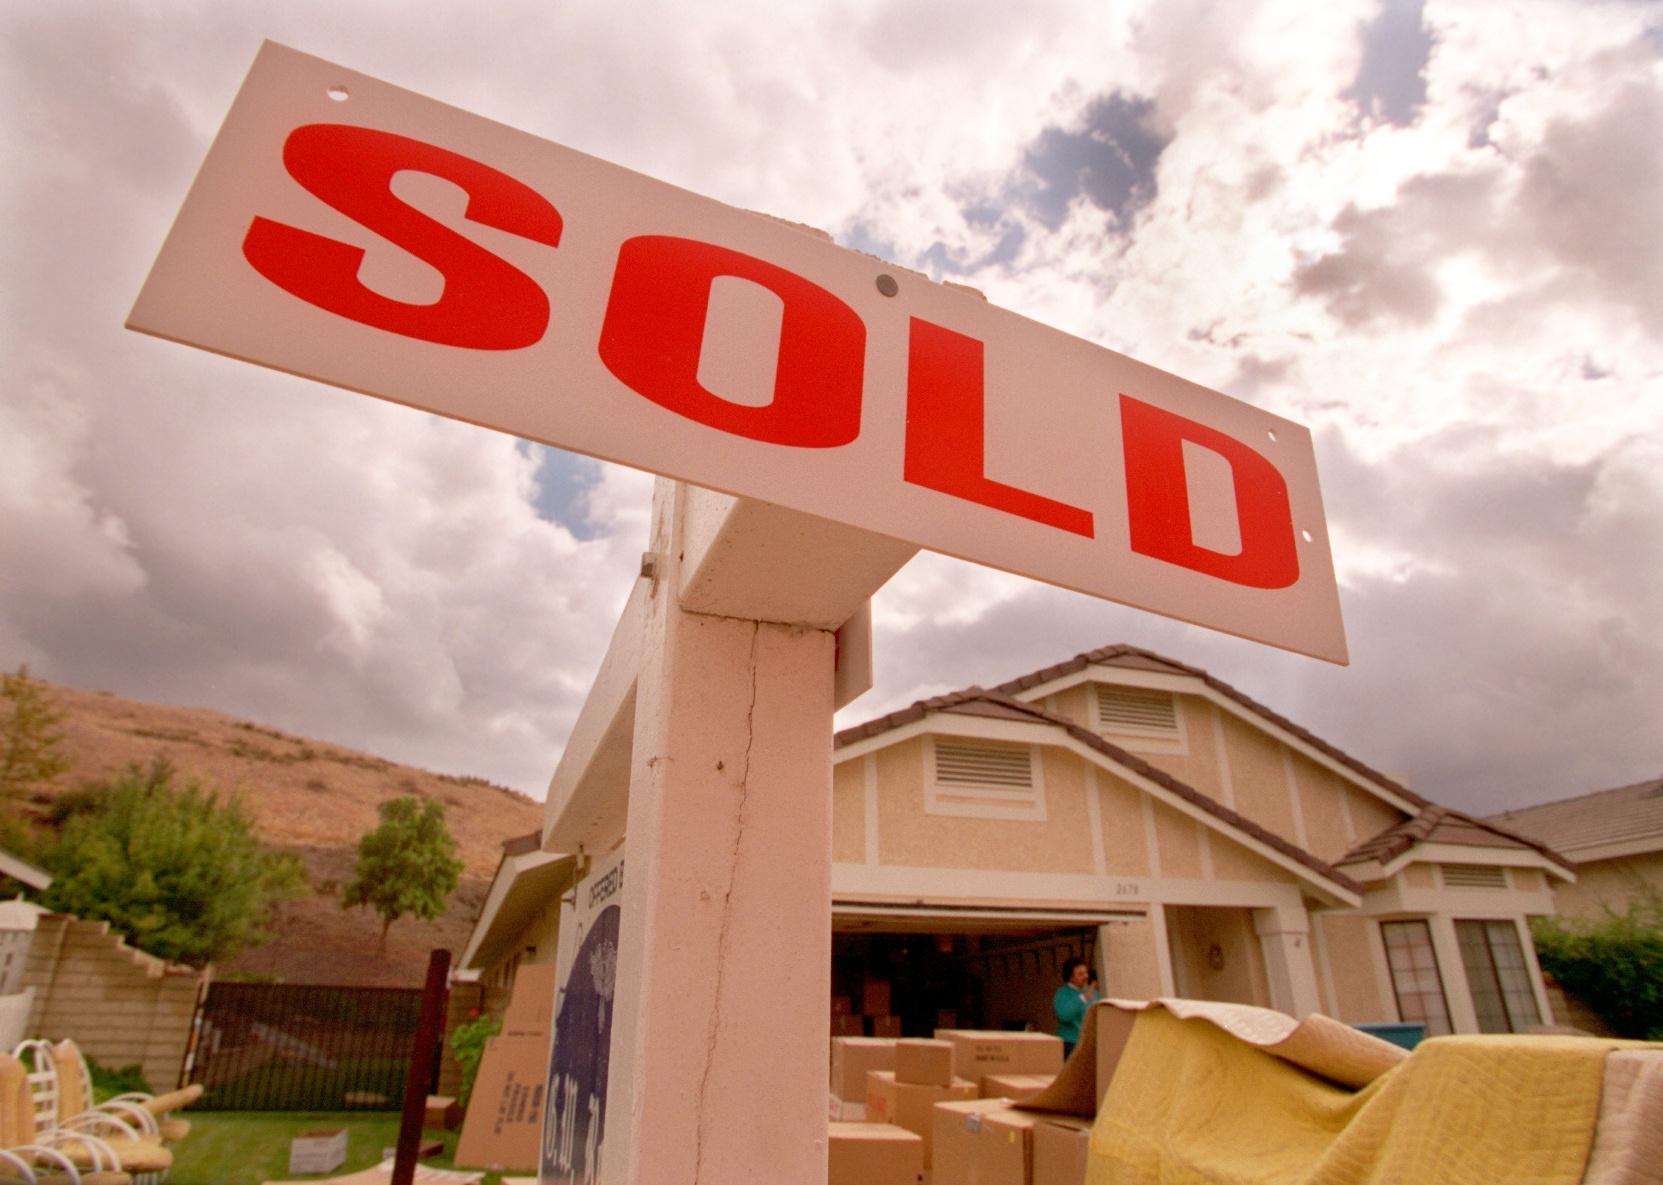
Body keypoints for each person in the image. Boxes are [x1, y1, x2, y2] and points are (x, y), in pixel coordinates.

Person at [1054, 957, 1099, 1058]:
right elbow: (1064, 1016)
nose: (1086, 976)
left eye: (1086, 973)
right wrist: (1082, 998)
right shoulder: (1062, 994)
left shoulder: (1094, 994)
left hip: (1091, 1043)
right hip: (1070, 1044)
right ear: (1070, 977)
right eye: (1080, 974)